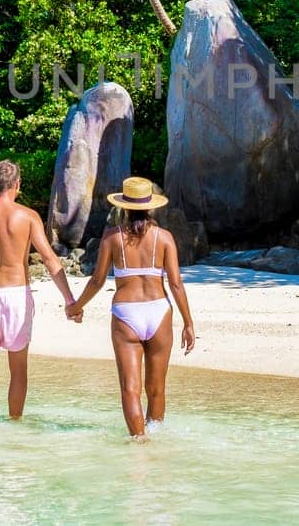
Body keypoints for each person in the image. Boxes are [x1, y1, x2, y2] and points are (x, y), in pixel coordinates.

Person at [67, 176, 196, 438]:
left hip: (126, 313)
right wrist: (188, 323)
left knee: (130, 388)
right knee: (156, 387)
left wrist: (76, 306)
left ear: (124, 206)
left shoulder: (112, 237)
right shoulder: (165, 238)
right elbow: (176, 284)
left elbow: (97, 280)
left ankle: (139, 445)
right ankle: (155, 438)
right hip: (159, 311)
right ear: (151, 206)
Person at [0, 159, 77, 427]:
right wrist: (70, 300)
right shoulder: (28, 217)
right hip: (17, 296)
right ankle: (15, 425)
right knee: (18, 370)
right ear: (17, 184)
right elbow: (50, 260)